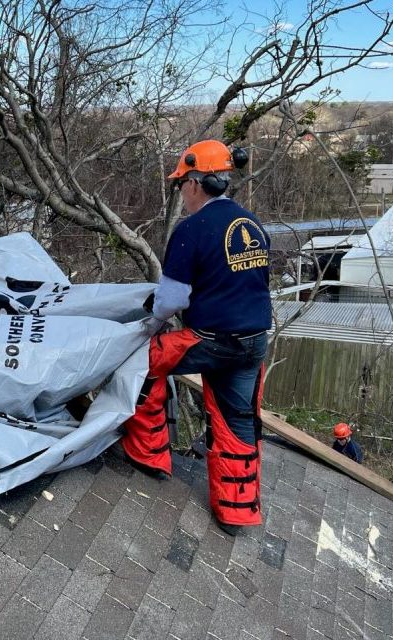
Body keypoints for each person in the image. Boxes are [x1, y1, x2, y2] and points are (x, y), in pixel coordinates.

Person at [121, 139, 270, 536]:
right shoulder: (251, 224)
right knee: (236, 420)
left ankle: (149, 455)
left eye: (181, 184)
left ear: (195, 183)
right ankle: (236, 512)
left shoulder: (192, 230)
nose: (181, 192)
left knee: (143, 362)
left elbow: (171, 299)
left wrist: (151, 324)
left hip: (211, 340)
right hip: (253, 341)